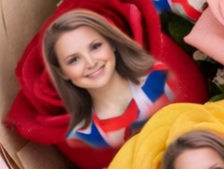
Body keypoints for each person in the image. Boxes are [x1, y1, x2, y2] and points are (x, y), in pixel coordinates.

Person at [42, 11, 175, 150]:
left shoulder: (162, 80)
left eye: (95, 46)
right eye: (74, 60)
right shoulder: (81, 138)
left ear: (112, 43)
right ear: (62, 72)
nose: (91, 63)